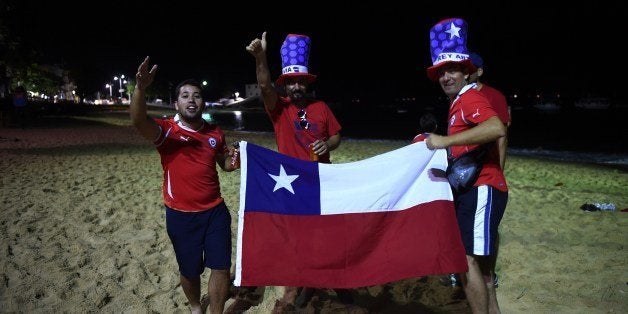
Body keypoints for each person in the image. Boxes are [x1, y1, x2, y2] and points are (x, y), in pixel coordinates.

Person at [245, 32, 350, 313]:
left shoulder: (321, 107)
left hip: (321, 182)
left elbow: (337, 137)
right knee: (299, 239)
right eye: (290, 82)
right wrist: (260, 57)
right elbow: (264, 85)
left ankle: (332, 280)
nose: (295, 87)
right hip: (290, 186)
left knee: (326, 237)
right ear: (286, 86)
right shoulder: (279, 110)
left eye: (299, 81)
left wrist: (326, 143)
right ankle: (305, 284)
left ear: (307, 82)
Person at [130, 56, 239, 314]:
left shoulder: (215, 132)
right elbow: (138, 121)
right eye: (185, 95)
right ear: (176, 103)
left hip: (215, 211)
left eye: (197, 95)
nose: (192, 99)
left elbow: (224, 163)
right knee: (190, 272)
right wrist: (140, 88)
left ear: (203, 102)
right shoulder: (166, 131)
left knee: (221, 267)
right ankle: (194, 306)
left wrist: (232, 160)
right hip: (180, 215)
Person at [424, 18, 508, 314]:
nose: (446, 76)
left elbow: (497, 127)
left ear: (466, 72)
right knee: (481, 265)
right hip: (476, 188)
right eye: (441, 72)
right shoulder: (458, 102)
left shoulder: (471, 97)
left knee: (467, 259)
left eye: (452, 70)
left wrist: (444, 142)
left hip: (482, 188)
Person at [469, 51, 511, 312]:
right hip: (468, 178)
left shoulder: (493, 96)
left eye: (470, 67)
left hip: (487, 177)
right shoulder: (459, 97)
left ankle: (488, 282)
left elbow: (501, 136)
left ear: (480, 71)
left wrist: (500, 170)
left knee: (487, 233)